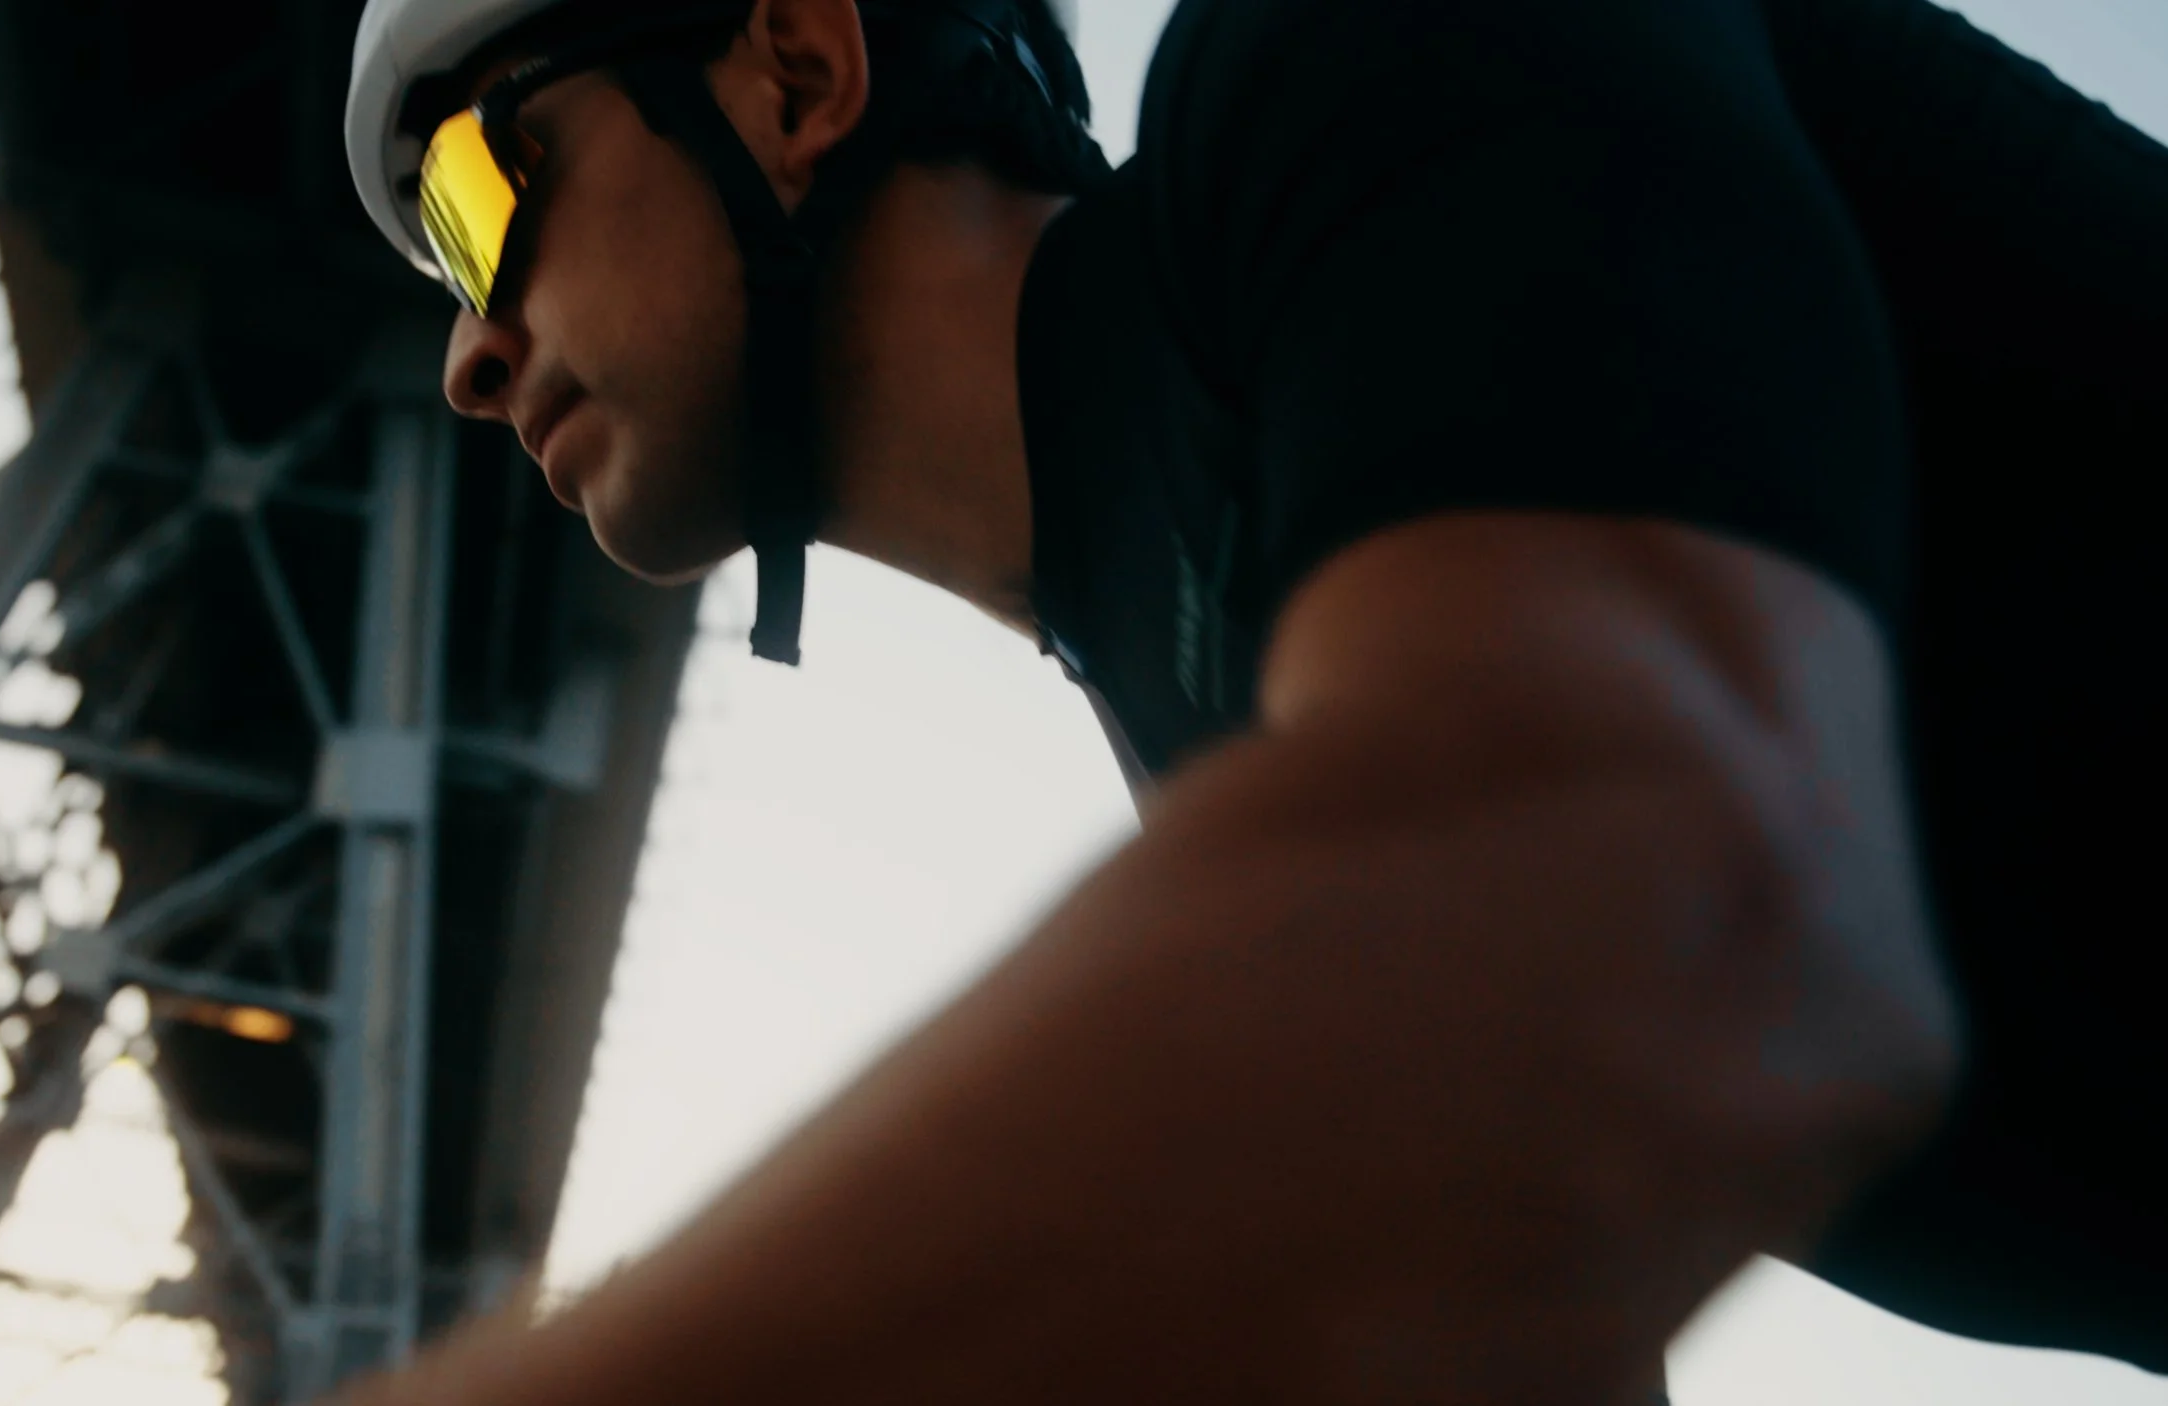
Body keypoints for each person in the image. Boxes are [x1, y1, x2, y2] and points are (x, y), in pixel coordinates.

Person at [336, 0, 2166, 1399]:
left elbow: (1691, 909)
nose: (468, 353)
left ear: (797, 71)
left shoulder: (1369, 59)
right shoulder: (1254, 726)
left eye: (480, 195)